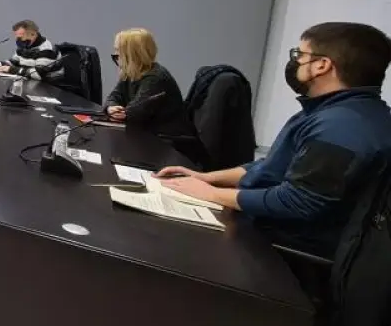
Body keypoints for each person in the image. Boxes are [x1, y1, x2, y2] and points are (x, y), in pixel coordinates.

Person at [159, 22, 391, 259]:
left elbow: (297, 201)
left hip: (284, 250)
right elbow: (272, 167)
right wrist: (207, 178)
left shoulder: (342, 127)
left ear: (321, 65)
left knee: (171, 243)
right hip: (268, 228)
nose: (294, 61)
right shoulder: (332, 112)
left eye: (300, 55)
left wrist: (211, 193)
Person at [103, 28, 193, 137]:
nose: (116, 56)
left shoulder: (156, 78)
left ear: (132, 54)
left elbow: (136, 113)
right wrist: (111, 107)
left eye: (118, 52)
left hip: (167, 139)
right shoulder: (131, 72)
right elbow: (114, 96)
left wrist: (122, 113)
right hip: (147, 132)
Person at [0, 20, 65, 82]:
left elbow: (37, 75)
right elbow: (12, 63)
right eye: (16, 37)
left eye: (20, 37)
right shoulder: (24, 46)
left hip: (49, 87)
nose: (17, 40)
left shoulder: (47, 49)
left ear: (33, 34)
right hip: (29, 82)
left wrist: (11, 69)